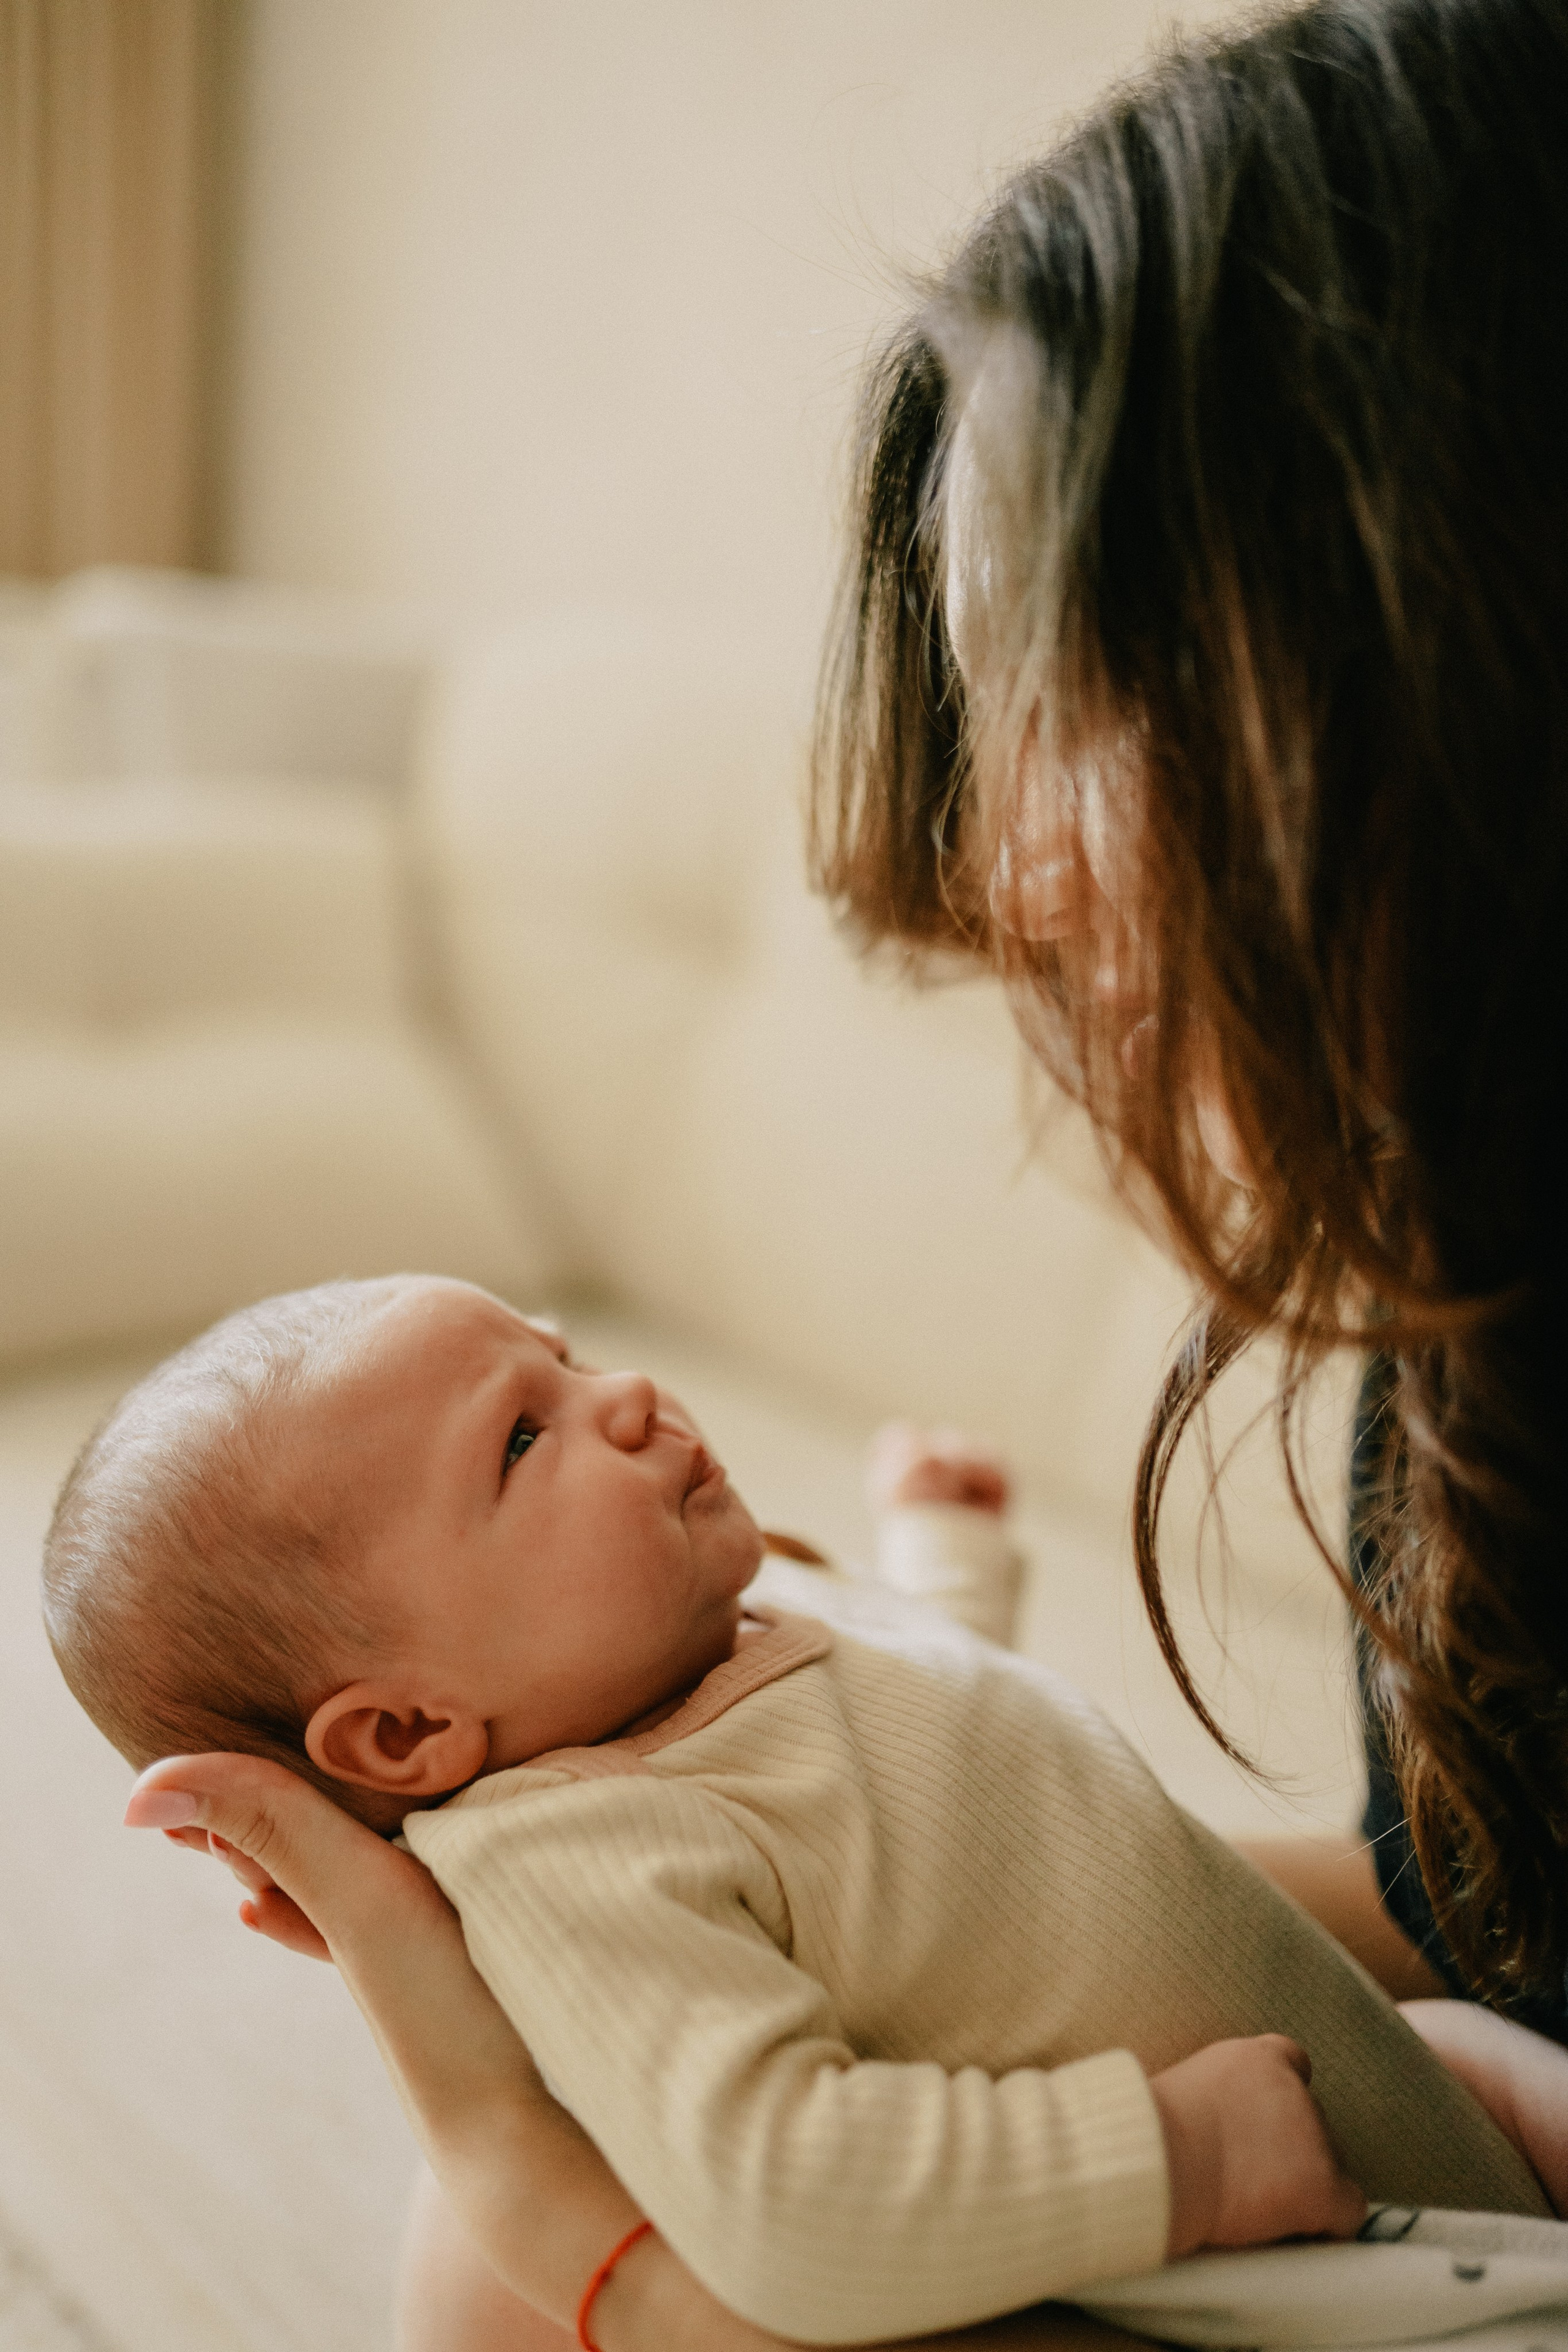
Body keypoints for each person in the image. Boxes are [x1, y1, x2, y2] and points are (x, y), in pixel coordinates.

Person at [111, 0, 1568, 2344]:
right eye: (514, 1442)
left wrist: (557, 2218)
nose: (1008, 877)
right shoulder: (1467, 1314)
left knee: (487, 2276)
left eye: (1079, 692)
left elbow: (935, 1781)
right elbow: (1440, 1893)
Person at [53, 1274, 1539, 2349]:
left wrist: (942, 1565)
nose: (622, 1396)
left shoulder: (703, 1636)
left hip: (1404, 2117)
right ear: (406, 1730)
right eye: (520, 1439)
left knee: (1466, 2045)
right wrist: (1172, 2160)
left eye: (563, 1357)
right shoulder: (568, 1853)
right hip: (1315, 2269)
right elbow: (782, 2188)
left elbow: (935, 1795)